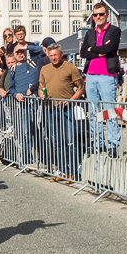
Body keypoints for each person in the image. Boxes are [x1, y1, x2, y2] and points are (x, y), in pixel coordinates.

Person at [78, 1, 122, 156]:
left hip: (107, 75)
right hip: (90, 75)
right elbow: (83, 52)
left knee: (109, 111)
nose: (98, 17)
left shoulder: (114, 31)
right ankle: (98, 143)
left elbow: (110, 49)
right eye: (95, 15)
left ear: (107, 15)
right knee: (93, 112)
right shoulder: (90, 33)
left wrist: (93, 49)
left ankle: (113, 145)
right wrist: (99, 51)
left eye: (101, 14)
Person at [38, 44, 84, 180]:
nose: (53, 58)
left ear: (61, 54)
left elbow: (81, 88)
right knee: (57, 142)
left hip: (66, 109)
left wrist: (71, 100)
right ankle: (63, 171)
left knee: (70, 142)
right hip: (51, 109)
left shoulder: (70, 67)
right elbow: (41, 87)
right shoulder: (44, 69)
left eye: (55, 55)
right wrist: (41, 94)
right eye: (51, 55)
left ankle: (74, 172)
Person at [7, 43, 40, 166]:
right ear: (14, 55)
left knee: (38, 131)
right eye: (17, 52)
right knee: (25, 132)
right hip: (23, 105)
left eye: (22, 52)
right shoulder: (12, 70)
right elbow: (11, 88)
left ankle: (42, 157)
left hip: (36, 103)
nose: (20, 54)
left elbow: (42, 50)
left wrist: (26, 47)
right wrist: (16, 95)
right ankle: (27, 158)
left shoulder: (33, 62)